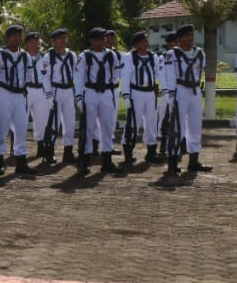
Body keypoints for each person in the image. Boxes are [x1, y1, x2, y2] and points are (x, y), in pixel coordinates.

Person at [159, 24, 210, 174]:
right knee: (177, 127)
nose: (191, 38)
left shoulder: (200, 53)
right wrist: (171, 96)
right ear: (179, 38)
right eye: (187, 35)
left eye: (192, 35)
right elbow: (170, 76)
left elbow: (201, 71)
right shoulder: (172, 54)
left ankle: (194, 160)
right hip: (180, 90)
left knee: (195, 127)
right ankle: (173, 161)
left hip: (194, 91)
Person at [0, 24, 33, 176]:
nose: (17, 38)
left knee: (21, 128)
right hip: (4, 92)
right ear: (7, 38)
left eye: (20, 36)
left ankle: (21, 162)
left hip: (19, 95)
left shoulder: (25, 56)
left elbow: (29, 76)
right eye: (14, 36)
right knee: (2, 129)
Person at [75, 28, 122, 174]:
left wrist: (110, 87)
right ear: (91, 41)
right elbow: (79, 78)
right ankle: (85, 161)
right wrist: (79, 97)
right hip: (90, 92)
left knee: (107, 127)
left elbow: (116, 73)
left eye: (103, 39)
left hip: (106, 92)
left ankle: (107, 160)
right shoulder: (84, 56)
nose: (101, 42)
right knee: (88, 128)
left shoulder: (111, 55)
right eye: (97, 39)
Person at [120, 31, 162, 165]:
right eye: (143, 41)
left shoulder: (153, 57)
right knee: (133, 122)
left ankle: (151, 152)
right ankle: (128, 152)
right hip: (136, 92)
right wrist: (126, 95)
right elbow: (125, 77)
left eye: (147, 40)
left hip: (150, 92)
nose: (146, 43)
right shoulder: (129, 57)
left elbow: (158, 73)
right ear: (137, 44)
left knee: (151, 122)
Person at [40, 29, 78, 164]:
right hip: (55, 90)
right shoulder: (48, 56)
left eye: (64, 37)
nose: (63, 40)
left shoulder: (72, 55)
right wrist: (49, 95)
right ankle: (49, 151)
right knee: (53, 123)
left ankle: (68, 151)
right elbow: (45, 78)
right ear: (54, 41)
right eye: (60, 38)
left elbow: (76, 75)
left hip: (68, 90)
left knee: (70, 122)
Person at [22, 31, 52, 167]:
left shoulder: (45, 57)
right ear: (27, 43)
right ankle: (17, 147)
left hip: (40, 90)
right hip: (26, 90)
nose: (35, 43)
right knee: (21, 118)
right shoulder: (22, 57)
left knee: (42, 119)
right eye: (32, 41)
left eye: (37, 41)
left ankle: (41, 145)